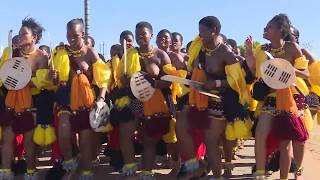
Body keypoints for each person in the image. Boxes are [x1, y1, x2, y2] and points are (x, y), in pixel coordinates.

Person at [176, 16, 252, 179]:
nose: (200, 35)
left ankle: (217, 176)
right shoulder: (199, 49)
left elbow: (237, 82)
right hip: (199, 98)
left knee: (211, 140)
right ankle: (194, 165)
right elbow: (192, 72)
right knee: (181, 122)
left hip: (220, 102)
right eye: (199, 31)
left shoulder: (225, 52)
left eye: (203, 31)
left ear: (214, 31)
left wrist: (216, 83)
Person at [245, 14, 310, 180]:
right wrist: (249, 53)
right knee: (259, 134)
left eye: (269, 26)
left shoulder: (292, 47)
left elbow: (306, 74)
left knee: (285, 144)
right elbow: (254, 73)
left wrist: (288, 69)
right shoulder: (261, 50)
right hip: (270, 99)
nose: (265, 29)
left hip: (289, 101)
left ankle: (285, 177)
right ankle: (259, 173)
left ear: (281, 29)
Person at [50, 18, 108, 180]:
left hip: (85, 101)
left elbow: (103, 79)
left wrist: (101, 99)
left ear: (82, 34)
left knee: (85, 140)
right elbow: (55, 82)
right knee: (63, 133)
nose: (71, 38)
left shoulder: (91, 53)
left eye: (75, 35)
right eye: (69, 35)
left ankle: (86, 170)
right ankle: (70, 165)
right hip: (65, 100)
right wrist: (53, 77)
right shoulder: (60, 52)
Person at [0, 17, 52, 180]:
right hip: (12, 102)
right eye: (19, 33)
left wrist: (25, 79)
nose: (20, 36)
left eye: (24, 33)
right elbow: (3, 76)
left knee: (30, 142)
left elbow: (42, 84)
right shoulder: (9, 53)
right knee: (7, 139)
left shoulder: (40, 57)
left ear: (34, 37)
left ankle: (31, 172)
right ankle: (5, 171)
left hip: (32, 104)